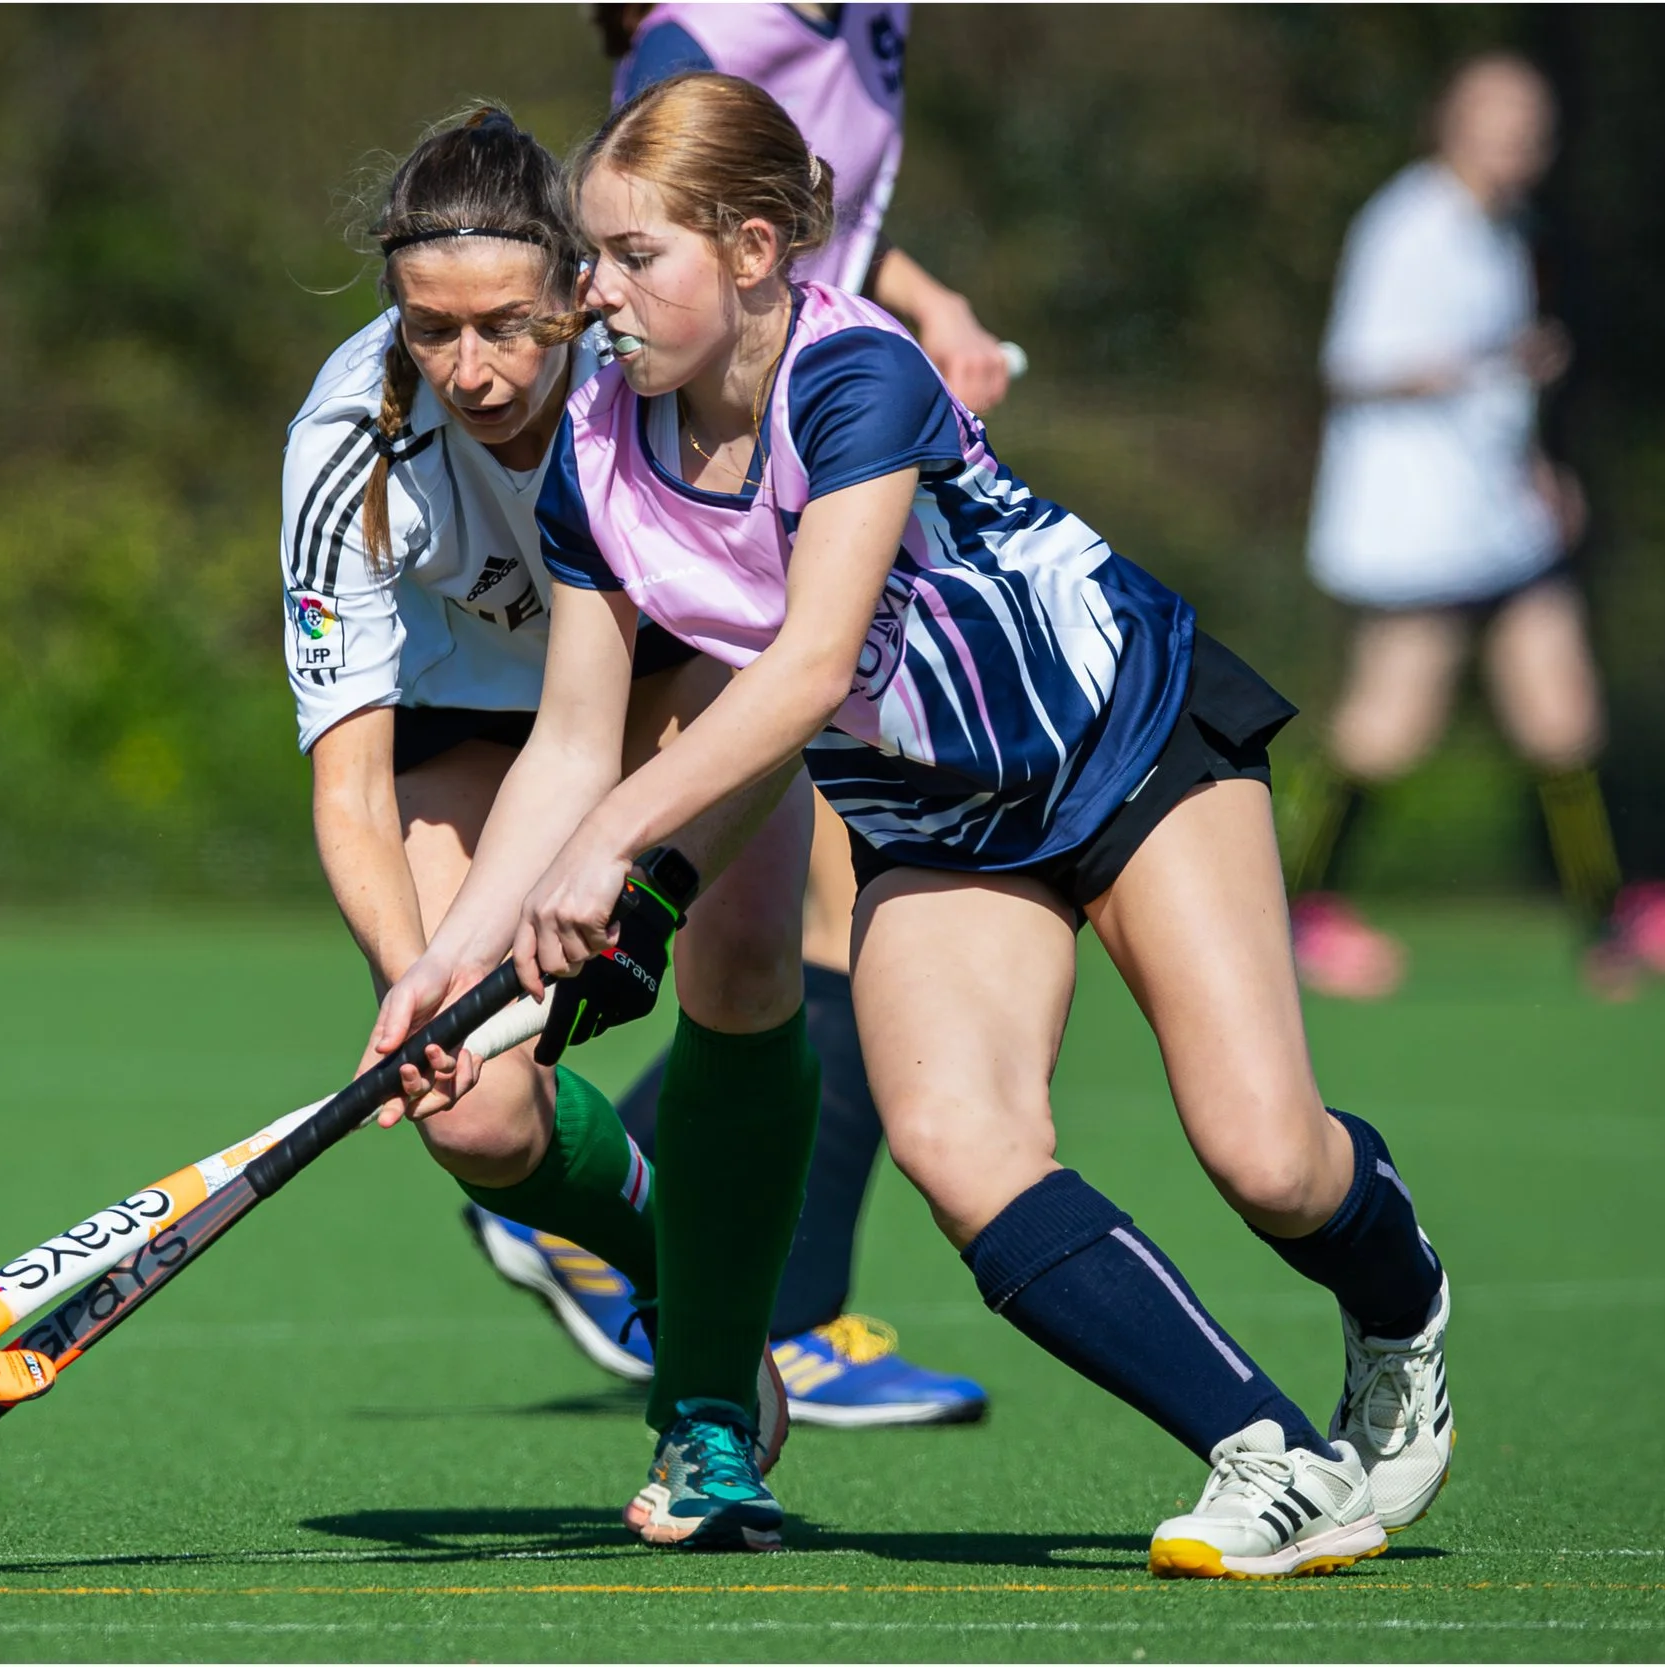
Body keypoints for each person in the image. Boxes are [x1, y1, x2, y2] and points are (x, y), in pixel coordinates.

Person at [373, 74, 1453, 1572]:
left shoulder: (855, 375)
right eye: (594, 256)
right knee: (959, 1142)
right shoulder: (599, 448)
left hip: (1121, 741)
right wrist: (446, 970)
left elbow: (810, 662)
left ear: (752, 250)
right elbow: (567, 737)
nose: (593, 295)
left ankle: (1402, 1311)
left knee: (1269, 1158)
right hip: (930, 814)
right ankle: (1271, 1452)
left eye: (632, 257)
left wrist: (617, 847)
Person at [465, 0, 1009, 1429]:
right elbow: (666, 224)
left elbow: (782, 210)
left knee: (778, 940)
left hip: (786, 478)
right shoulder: (699, 32)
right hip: (703, 511)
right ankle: (779, 1309)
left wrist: (927, 302)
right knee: (839, 926)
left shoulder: (866, 24)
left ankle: (649, 1235)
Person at [282, 104, 821, 1508]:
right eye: (430, 328)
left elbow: (767, 625)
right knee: (473, 1112)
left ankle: (704, 1403)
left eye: (508, 326)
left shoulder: (656, 377)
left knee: (749, 958)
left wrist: (630, 848)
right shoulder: (347, 440)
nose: (469, 369)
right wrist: (415, 982)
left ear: (579, 287)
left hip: (688, 675)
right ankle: (671, 1273)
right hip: (475, 725)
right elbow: (349, 775)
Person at [1291, 51, 1665, 1001]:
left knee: (1561, 704)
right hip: (1415, 522)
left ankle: (1608, 918)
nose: (1519, 138)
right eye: (1498, 116)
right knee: (1388, 728)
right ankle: (1301, 912)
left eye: (1532, 121)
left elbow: (1495, 383)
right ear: (1449, 121)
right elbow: (1356, 365)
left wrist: (1535, 465)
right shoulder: (1409, 226)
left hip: (1495, 517)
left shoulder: (1504, 230)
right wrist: (1485, 361)